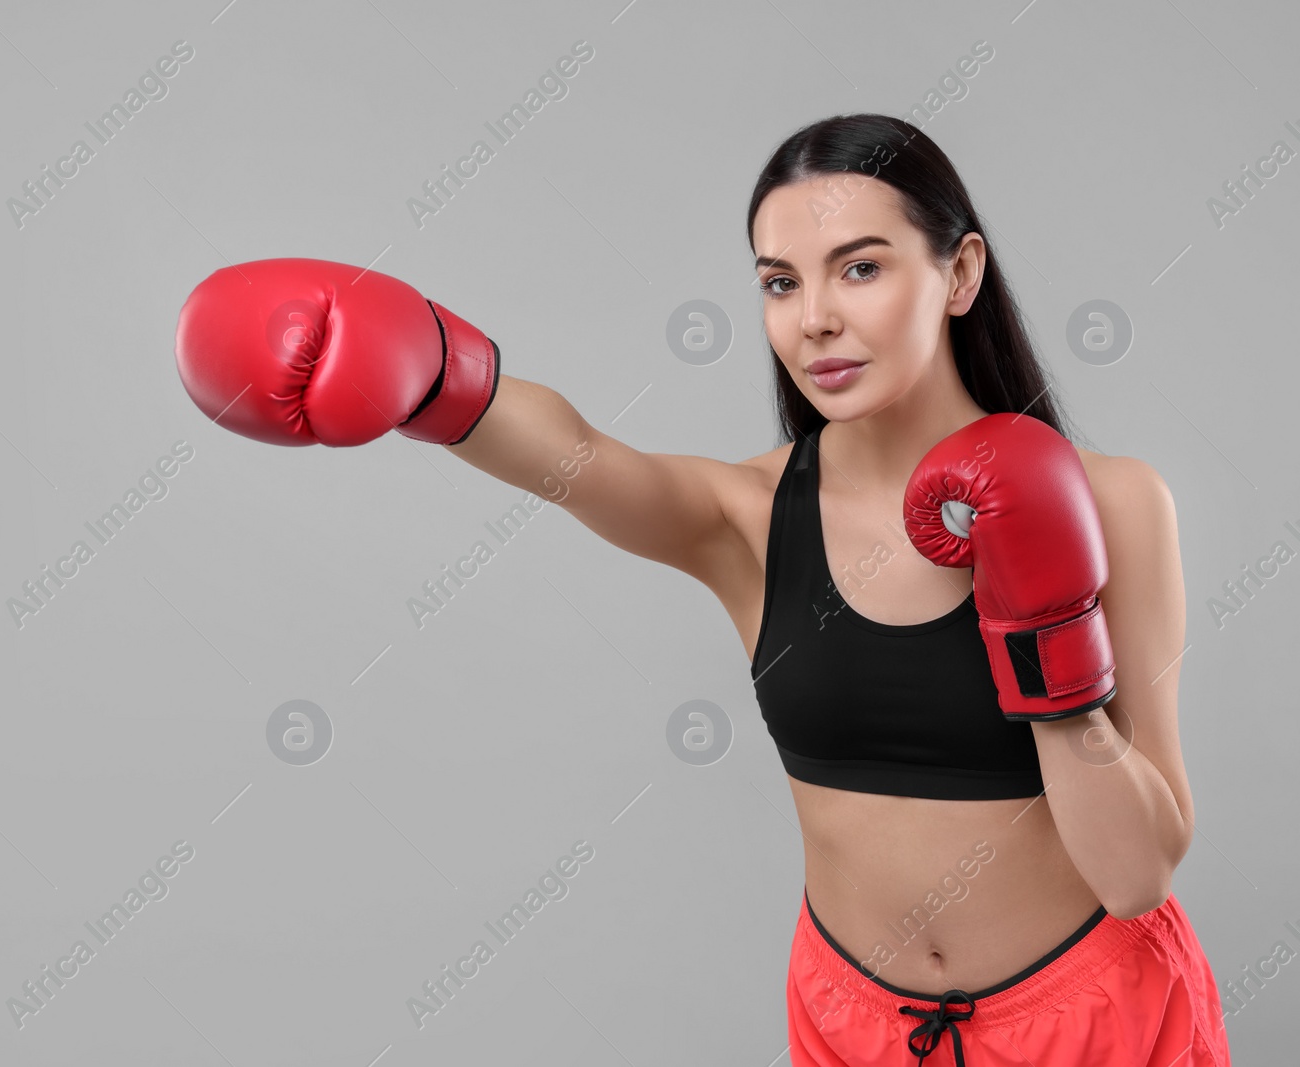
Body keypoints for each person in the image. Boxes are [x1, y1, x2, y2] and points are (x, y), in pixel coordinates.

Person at [174, 113, 1232, 1066]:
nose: (813, 317)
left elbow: (1137, 872)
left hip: (1091, 1019)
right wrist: (428, 363)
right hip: (849, 1020)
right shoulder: (748, 516)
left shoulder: (1113, 503)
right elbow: (581, 453)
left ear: (958, 273)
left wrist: (1046, 637)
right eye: (780, 281)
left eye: (858, 269)